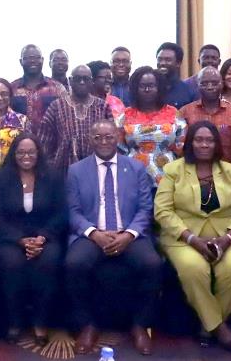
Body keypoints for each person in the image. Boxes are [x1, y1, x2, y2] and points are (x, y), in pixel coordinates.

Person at [155, 121, 231, 353]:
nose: (204, 144)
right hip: (184, 238)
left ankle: (207, 324)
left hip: (227, 237)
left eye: (209, 140)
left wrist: (228, 238)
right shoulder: (173, 170)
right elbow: (162, 211)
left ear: (216, 144)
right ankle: (219, 328)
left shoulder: (230, 171)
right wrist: (192, 239)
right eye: (198, 140)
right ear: (190, 142)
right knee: (193, 269)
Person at [66, 119, 162, 356]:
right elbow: (72, 211)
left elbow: (145, 208)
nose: (104, 141)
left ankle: (140, 325)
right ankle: (87, 325)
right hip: (91, 235)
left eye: (109, 136)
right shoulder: (76, 170)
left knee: (153, 264)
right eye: (98, 137)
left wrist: (129, 235)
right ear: (90, 140)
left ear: (118, 138)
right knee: (73, 264)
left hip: (129, 233)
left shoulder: (136, 168)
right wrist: (94, 234)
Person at [0, 133, 66, 346]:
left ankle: (40, 322)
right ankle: (15, 322)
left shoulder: (53, 177)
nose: (26, 156)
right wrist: (20, 240)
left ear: (38, 153)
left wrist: (42, 238)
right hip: (11, 238)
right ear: (14, 154)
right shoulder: (2, 178)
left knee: (48, 263)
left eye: (31, 151)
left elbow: (61, 214)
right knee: (12, 263)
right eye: (21, 152)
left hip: (45, 237)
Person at [116, 66, 186, 186]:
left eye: (152, 85)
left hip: (168, 175)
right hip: (133, 176)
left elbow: (182, 144)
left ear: (159, 88)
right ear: (135, 89)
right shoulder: (126, 115)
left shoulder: (173, 113)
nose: (147, 89)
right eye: (142, 86)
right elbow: (119, 147)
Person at [38, 65, 112, 172]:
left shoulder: (103, 106)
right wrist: (50, 167)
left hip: (97, 171)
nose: (82, 82)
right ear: (70, 81)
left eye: (86, 79)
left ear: (91, 82)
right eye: (78, 79)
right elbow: (44, 141)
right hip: (63, 171)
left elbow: (113, 139)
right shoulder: (57, 106)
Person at [178, 67, 231, 174]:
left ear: (222, 84)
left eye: (214, 83)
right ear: (197, 85)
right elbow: (180, 149)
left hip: (226, 176)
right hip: (192, 176)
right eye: (204, 83)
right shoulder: (185, 112)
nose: (210, 87)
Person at [12, 45, 68, 133]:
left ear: (42, 60)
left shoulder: (58, 88)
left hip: (50, 144)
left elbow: (66, 119)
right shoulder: (12, 88)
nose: (33, 61)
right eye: (28, 58)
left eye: (37, 57)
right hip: (19, 144)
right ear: (21, 61)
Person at [156, 41, 199, 109]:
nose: (162, 63)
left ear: (178, 63)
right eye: (159, 59)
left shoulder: (189, 92)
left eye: (168, 60)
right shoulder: (148, 89)